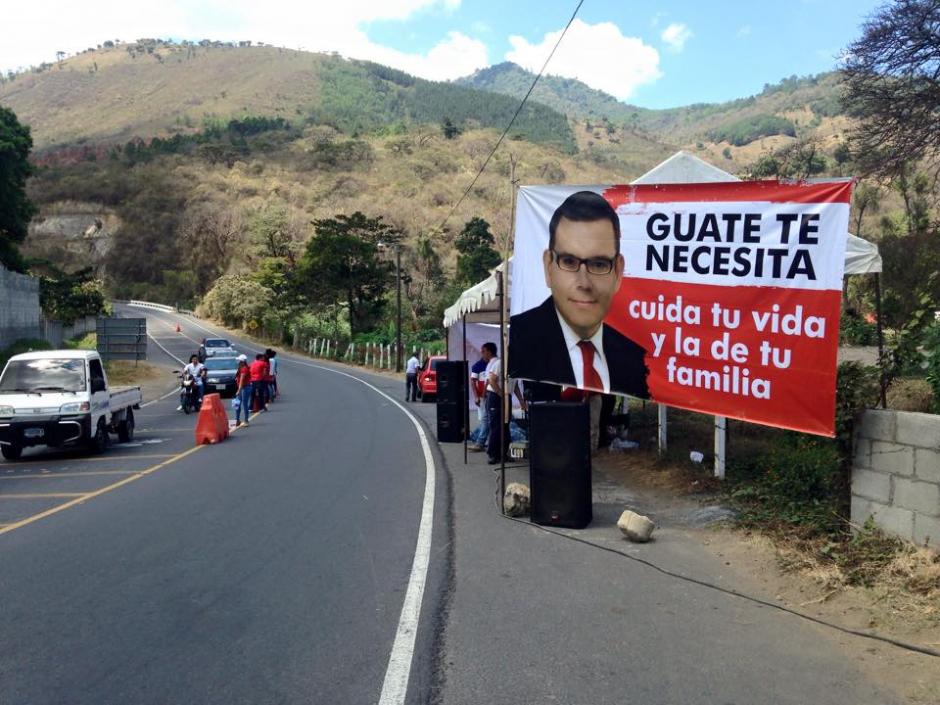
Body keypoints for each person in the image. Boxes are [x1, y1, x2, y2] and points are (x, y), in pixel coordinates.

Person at [508, 190, 649, 400]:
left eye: (599, 264)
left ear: (618, 272)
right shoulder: (525, 340)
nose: (583, 283)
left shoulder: (636, 357)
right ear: (548, 267)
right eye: (569, 262)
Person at [234, 355, 252, 427]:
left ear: (242, 362)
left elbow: (242, 380)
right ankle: (237, 420)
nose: (237, 361)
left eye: (239, 360)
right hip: (242, 388)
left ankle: (246, 420)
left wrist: (238, 390)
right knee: (237, 404)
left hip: (245, 388)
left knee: (244, 404)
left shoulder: (244, 369)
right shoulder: (240, 368)